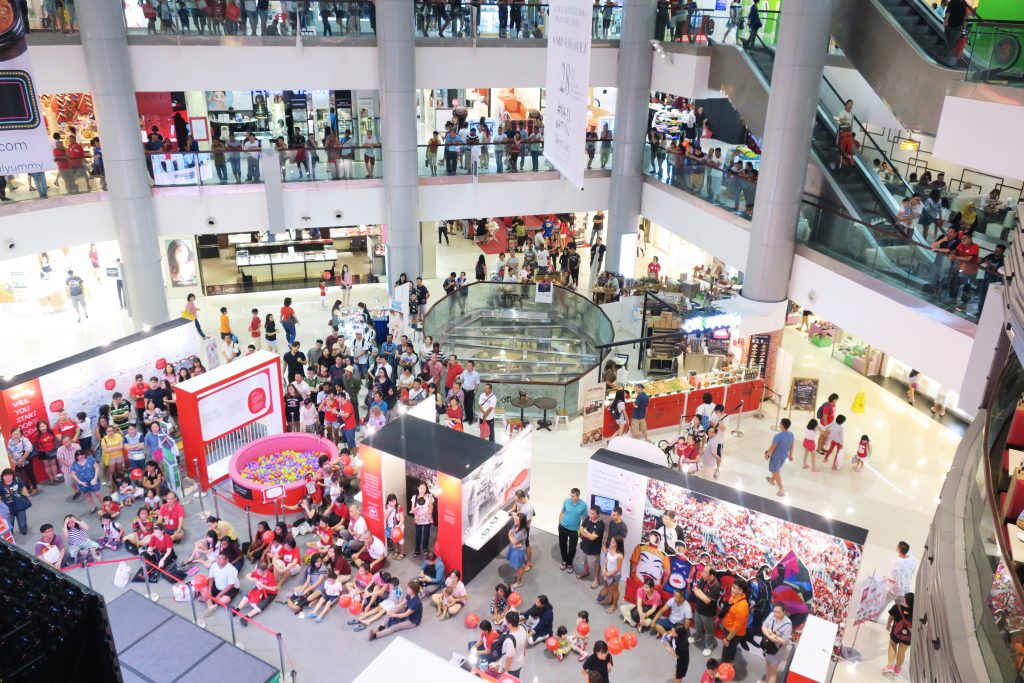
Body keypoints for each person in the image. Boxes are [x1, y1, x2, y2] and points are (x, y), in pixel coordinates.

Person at [759, 603, 793, 683]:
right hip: (767, 647)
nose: (776, 614)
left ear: (784, 612)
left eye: (778, 612)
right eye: (775, 611)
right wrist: (769, 634)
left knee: (772, 673)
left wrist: (773, 637)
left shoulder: (788, 624)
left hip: (776, 651)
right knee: (768, 667)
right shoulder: (771, 615)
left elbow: (785, 641)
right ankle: (766, 681)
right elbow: (764, 626)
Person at [720, 577, 749, 665]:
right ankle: (730, 662)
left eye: (734, 588)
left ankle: (722, 673)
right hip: (728, 628)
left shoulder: (742, 607)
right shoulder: (734, 596)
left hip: (733, 634)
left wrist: (728, 639)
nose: (732, 589)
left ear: (740, 591)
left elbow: (736, 628)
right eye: (732, 587)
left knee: (726, 652)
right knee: (731, 649)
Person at [884, 593, 914, 676]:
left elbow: (891, 618)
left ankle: (890, 665)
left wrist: (888, 624)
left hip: (895, 633)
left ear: (905, 599)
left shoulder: (897, 607)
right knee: (902, 652)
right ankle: (897, 669)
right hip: (908, 636)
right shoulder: (916, 612)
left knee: (892, 645)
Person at [558, 488, 588, 573]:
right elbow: (562, 512)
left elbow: (584, 518)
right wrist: (559, 524)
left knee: (572, 548)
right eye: (570, 495)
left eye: (573, 496)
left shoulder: (583, 505)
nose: (571, 497)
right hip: (563, 528)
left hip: (574, 531)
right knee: (562, 545)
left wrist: (582, 530)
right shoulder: (566, 501)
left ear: (578, 496)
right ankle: (564, 561)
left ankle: (569, 563)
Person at [492, 610, 528, 676]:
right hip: (519, 662)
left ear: (509, 624)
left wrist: (506, 672)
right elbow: (526, 641)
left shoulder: (510, 640)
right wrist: (523, 653)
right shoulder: (524, 627)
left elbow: (509, 658)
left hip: (511, 667)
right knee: (516, 677)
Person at [577, 505, 605, 589]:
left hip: (594, 549)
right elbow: (581, 529)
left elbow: (592, 538)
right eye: (590, 512)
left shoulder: (601, 524)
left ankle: (596, 579)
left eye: (593, 513)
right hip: (584, 545)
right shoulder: (587, 519)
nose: (590, 514)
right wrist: (587, 533)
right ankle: (586, 572)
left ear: (598, 514)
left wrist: (585, 531)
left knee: (596, 564)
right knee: (584, 561)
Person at [765, 418, 794, 497]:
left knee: (776, 471)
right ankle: (771, 480)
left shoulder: (777, 436)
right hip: (784, 456)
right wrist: (791, 454)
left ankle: (781, 489)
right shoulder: (791, 434)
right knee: (776, 470)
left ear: (782, 425)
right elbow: (792, 445)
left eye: (781, 423)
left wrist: (767, 454)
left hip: (776, 457)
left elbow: (772, 447)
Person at [886, 541, 919, 608]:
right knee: (900, 610)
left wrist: (885, 578)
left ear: (898, 549)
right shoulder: (912, 559)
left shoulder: (895, 562)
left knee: (882, 603)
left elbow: (892, 579)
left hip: (894, 591)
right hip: (905, 591)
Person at [0, 469, 31, 535]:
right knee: (9, 523)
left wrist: (27, 494)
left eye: (10, 475)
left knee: (22, 522)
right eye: (6, 476)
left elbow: (23, 487)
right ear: (2, 476)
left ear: (13, 476)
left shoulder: (17, 480)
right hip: (8, 508)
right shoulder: (0, 484)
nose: (8, 478)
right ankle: (10, 534)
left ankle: (23, 530)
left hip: (19, 504)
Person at [508, 512, 529, 589]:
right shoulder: (517, 525)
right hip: (515, 549)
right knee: (519, 566)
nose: (515, 521)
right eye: (515, 519)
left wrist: (509, 535)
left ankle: (518, 582)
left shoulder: (521, 532)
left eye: (516, 520)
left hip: (518, 551)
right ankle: (521, 570)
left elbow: (513, 541)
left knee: (519, 568)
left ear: (521, 522)